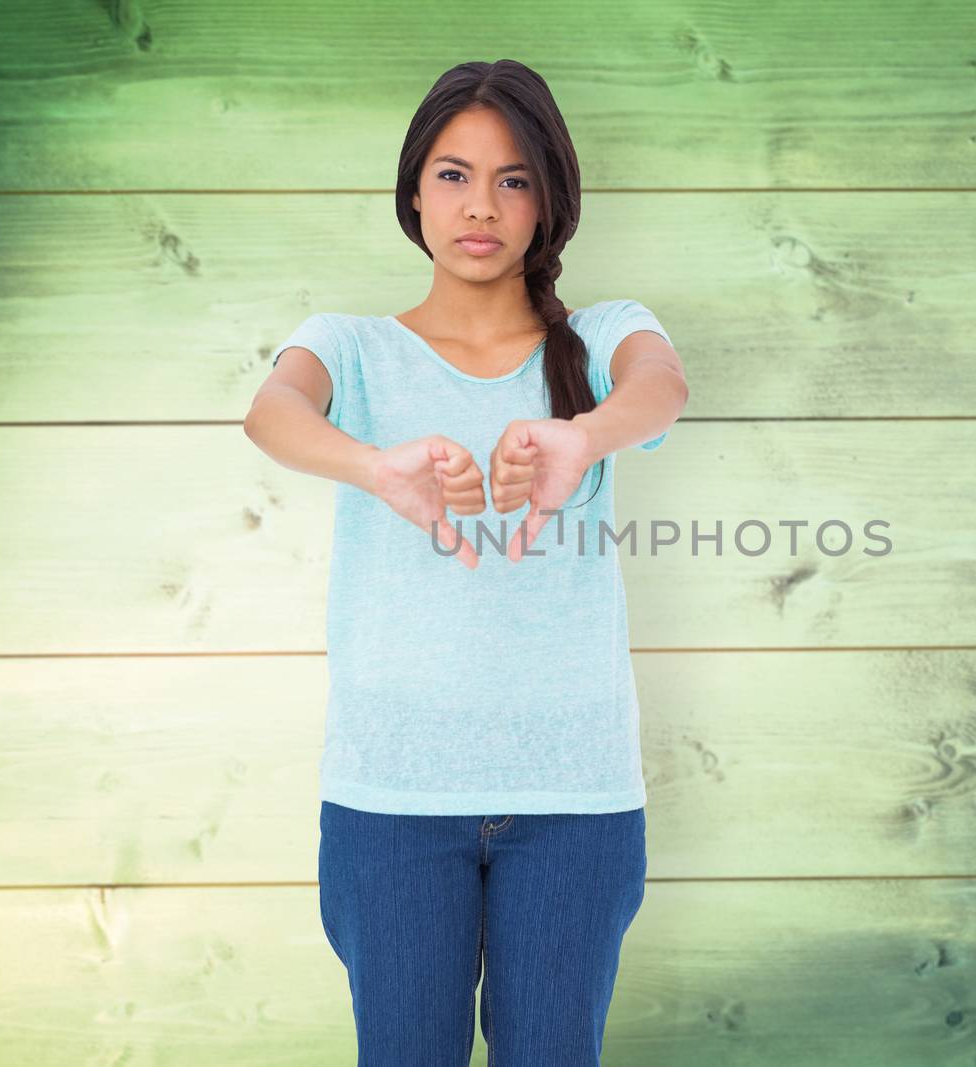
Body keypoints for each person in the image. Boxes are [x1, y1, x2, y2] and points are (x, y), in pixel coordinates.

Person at [243, 59, 689, 1066]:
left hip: (574, 800)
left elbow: (660, 383)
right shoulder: (348, 347)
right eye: (452, 175)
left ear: (548, 200)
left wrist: (584, 437)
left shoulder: (603, 335)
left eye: (513, 178)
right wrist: (372, 465)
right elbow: (271, 411)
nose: (480, 205)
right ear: (413, 191)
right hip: (390, 798)